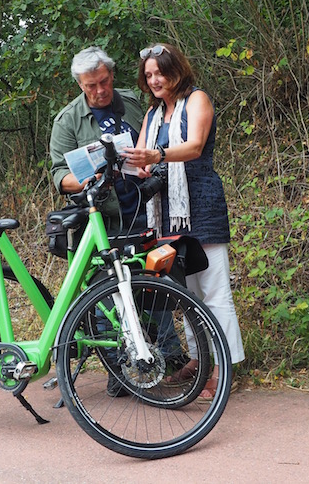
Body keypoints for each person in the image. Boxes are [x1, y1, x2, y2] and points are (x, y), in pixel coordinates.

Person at [124, 42, 246, 400]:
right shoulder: (151, 115)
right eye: (148, 76)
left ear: (175, 69)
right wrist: (138, 164)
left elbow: (194, 146)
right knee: (187, 292)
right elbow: (143, 162)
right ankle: (200, 359)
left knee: (214, 290)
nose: (154, 80)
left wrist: (156, 154)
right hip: (167, 210)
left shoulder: (197, 100)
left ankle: (225, 367)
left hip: (202, 205)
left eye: (159, 72)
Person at [49, 46, 147, 234]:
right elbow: (60, 175)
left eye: (104, 81)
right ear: (80, 85)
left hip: (148, 205)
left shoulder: (129, 100)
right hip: (108, 220)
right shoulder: (67, 121)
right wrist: (90, 181)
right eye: (91, 86)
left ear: (111, 75)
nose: (100, 91)